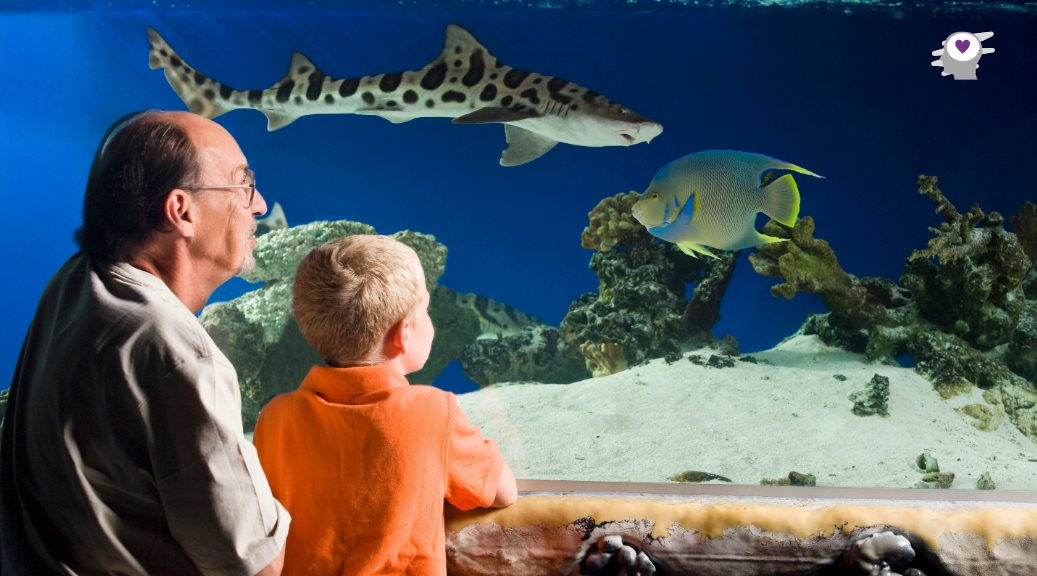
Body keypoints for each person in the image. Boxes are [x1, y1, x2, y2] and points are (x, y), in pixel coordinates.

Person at [0, 110, 290, 575]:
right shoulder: (173, 352)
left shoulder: (74, 284)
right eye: (243, 185)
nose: (258, 206)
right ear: (182, 211)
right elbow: (258, 565)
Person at [253, 234, 517, 575]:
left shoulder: (275, 417)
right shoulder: (434, 411)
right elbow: (504, 492)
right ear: (404, 334)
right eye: (426, 310)